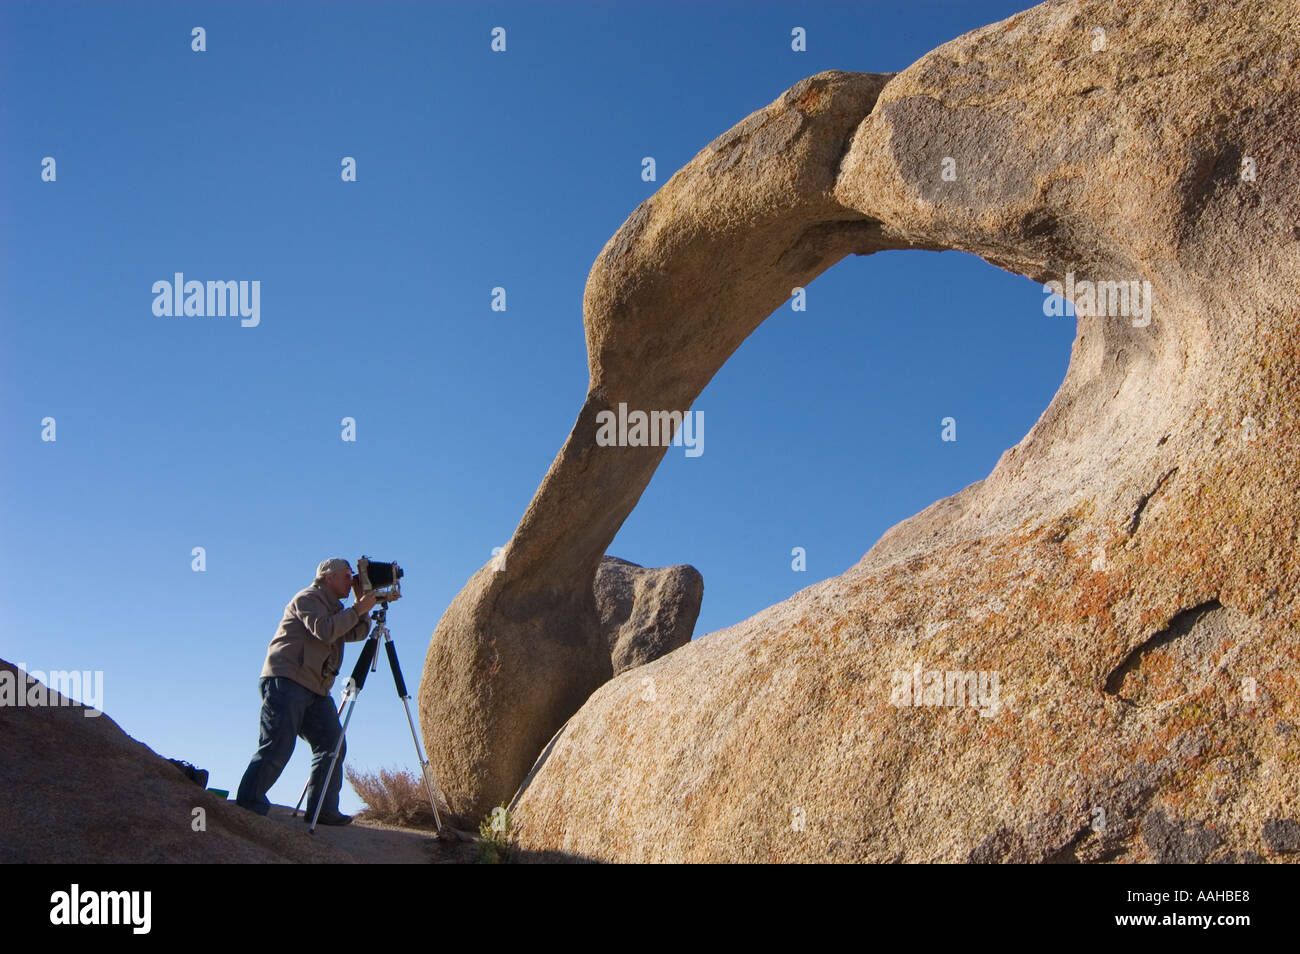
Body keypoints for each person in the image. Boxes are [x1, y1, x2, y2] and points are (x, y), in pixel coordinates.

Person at [235, 558, 381, 825]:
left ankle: (323, 810)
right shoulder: (308, 598)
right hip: (287, 679)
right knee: (278, 743)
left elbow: (356, 633)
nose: (351, 582)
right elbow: (325, 631)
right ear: (329, 578)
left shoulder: (337, 609)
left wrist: (362, 607)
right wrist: (357, 607)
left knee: (332, 744)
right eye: (347, 576)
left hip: (316, 688)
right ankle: (247, 807)